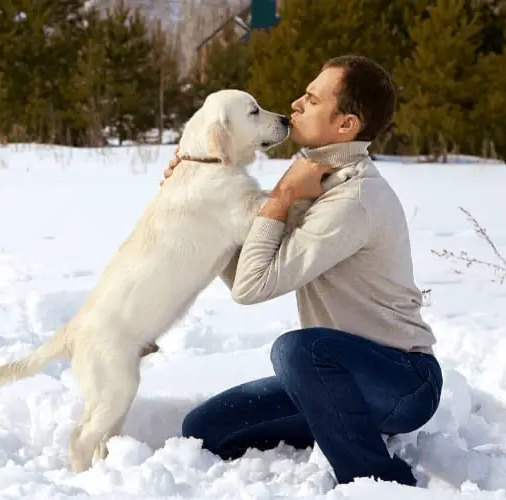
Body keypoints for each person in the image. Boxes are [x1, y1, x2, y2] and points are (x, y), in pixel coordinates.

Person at [161, 55, 442, 487]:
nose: (295, 103)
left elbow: (253, 286)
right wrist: (199, 204)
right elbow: (246, 274)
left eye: (311, 99)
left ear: (346, 125)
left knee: (297, 350)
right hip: (336, 378)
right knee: (206, 429)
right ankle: (341, 419)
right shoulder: (319, 181)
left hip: (403, 383)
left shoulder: (352, 200)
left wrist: (283, 195)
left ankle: (378, 482)